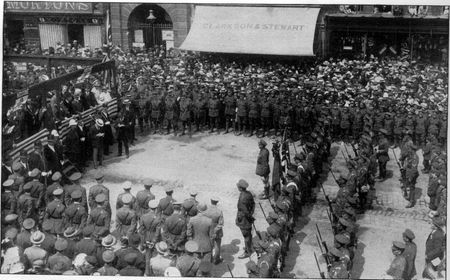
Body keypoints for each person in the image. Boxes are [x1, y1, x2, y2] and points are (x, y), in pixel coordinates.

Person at [236, 179, 255, 259]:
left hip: (244, 220)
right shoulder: (249, 194)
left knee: (246, 235)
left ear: (240, 188)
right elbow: (253, 205)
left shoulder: (242, 198)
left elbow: (244, 210)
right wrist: (251, 213)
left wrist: (250, 217)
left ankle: (248, 251)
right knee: (248, 234)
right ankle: (249, 247)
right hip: (247, 217)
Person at [203, 196, 224, 264]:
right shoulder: (219, 211)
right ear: (217, 202)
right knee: (217, 245)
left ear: (211, 201)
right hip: (217, 231)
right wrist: (216, 230)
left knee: (209, 245)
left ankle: (210, 258)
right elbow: (221, 223)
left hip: (208, 229)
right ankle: (216, 259)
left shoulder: (206, 210)